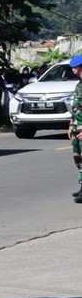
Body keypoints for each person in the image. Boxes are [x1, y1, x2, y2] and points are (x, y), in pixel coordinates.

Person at [68, 56, 82, 202]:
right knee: (78, 158)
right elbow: (77, 107)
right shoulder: (79, 85)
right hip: (77, 126)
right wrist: (71, 125)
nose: (73, 70)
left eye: (75, 67)